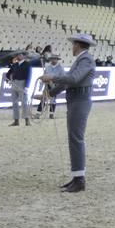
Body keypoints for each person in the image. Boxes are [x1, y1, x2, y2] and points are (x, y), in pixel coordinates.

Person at [43, 32, 96, 192]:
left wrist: (51, 77)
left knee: (76, 139)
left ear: (78, 45)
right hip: (76, 101)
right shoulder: (81, 60)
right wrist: (48, 94)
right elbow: (69, 81)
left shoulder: (85, 60)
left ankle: (79, 179)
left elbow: (73, 79)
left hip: (79, 101)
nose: (72, 47)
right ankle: (77, 177)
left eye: (73, 44)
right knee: (74, 138)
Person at [6, 52, 32, 127]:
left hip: (23, 83)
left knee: (24, 102)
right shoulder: (14, 65)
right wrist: (8, 79)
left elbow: (29, 76)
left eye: (20, 55)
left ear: (23, 56)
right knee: (14, 103)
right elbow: (8, 74)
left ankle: (27, 120)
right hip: (15, 83)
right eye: (18, 55)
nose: (19, 56)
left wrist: (27, 86)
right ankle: (16, 120)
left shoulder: (27, 64)